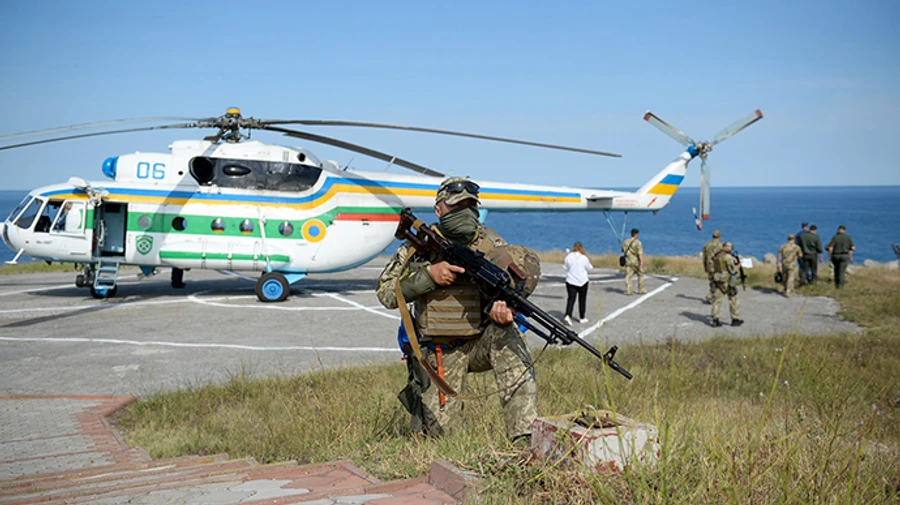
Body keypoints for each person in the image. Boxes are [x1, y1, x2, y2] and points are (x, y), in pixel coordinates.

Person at [376, 177, 537, 442]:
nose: (465, 213)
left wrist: (505, 309)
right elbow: (386, 293)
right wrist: (429, 275)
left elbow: (512, 284)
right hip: (440, 351)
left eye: (470, 206)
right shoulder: (416, 247)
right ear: (438, 210)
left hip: (481, 342)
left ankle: (524, 438)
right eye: (456, 206)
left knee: (511, 339)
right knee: (442, 438)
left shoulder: (492, 244)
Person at [710, 242, 743, 327]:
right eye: (729, 247)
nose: (730, 249)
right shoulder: (728, 257)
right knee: (733, 299)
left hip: (717, 279)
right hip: (726, 279)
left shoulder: (717, 255)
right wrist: (738, 266)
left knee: (717, 300)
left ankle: (715, 319)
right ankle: (735, 319)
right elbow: (732, 269)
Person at [563, 241, 593, 325]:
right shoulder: (584, 258)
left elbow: (565, 267)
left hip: (571, 280)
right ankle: (582, 317)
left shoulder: (568, 257)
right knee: (582, 299)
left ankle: (568, 315)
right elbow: (589, 267)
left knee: (571, 299)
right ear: (581, 248)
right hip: (582, 281)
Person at [621, 228, 645, 296]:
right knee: (640, 274)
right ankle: (641, 289)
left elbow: (622, 249)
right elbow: (640, 253)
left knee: (628, 276)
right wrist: (641, 262)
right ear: (636, 234)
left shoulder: (625, 242)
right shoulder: (638, 243)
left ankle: (629, 291)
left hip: (628, 261)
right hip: (635, 261)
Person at [702, 230, 723, 303]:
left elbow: (704, 257)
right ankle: (711, 296)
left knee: (712, 281)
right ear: (719, 236)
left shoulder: (707, 244)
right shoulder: (721, 245)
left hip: (709, 265)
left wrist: (705, 266)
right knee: (717, 282)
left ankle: (711, 296)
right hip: (717, 266)